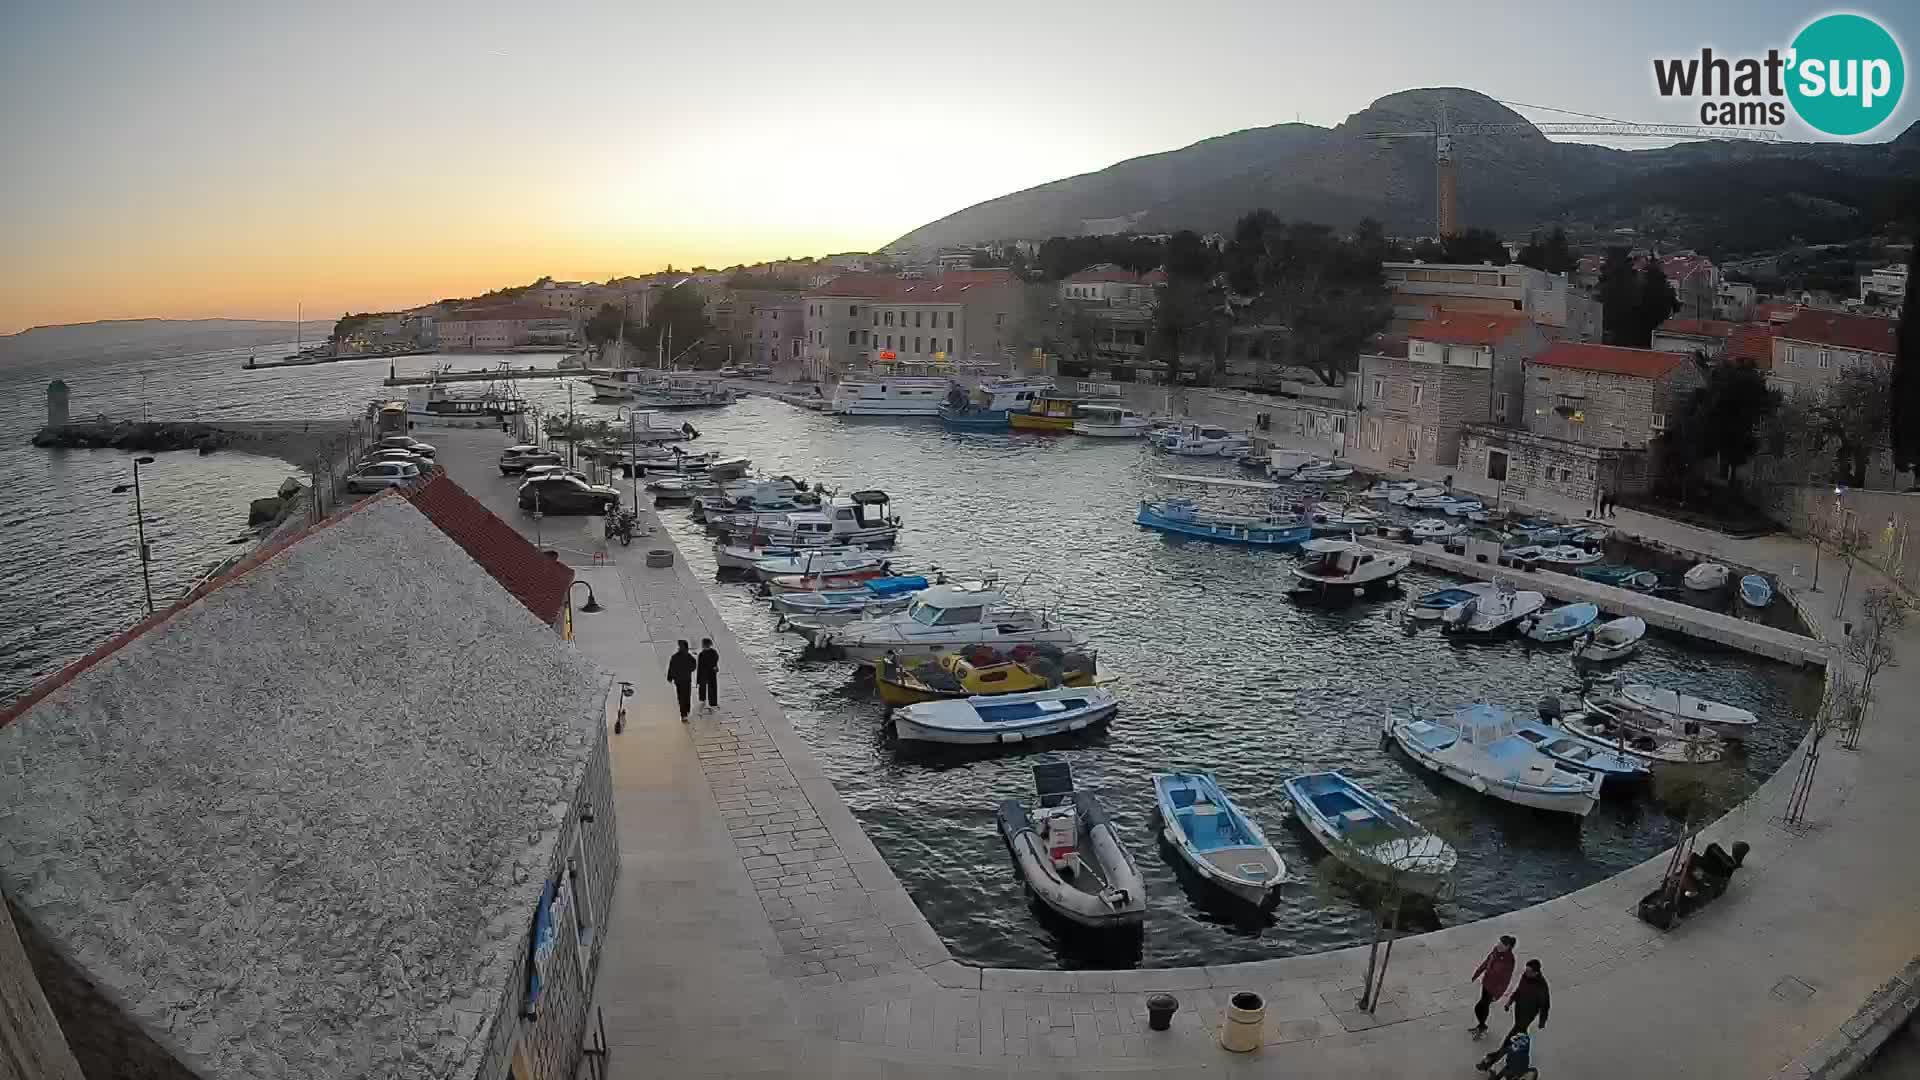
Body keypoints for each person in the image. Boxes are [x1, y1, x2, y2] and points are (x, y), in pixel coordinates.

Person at [1479, 960, 1550, 1072]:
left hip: (1527, 1015)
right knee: (1520, 1038)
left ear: (1536, 972)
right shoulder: (1525, 978)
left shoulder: (1541, 987)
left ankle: (1491, 1060)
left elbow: (1545, 1006)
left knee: (1510, 1039)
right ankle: (1519, 1060)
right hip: (1519, 1011)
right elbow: (1518, 991)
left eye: (1529, 971)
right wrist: (1510, 1002)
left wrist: (1542, 1021)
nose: (1526, 972)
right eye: (1526, 970)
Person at [1469, 935, 1518, 1037]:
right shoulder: (1495, 951)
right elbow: (1487, 962)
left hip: (1494, 988)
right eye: (1499, 942)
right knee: (1483, 1005)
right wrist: (1477, 973)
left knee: (1480, 1006)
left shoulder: (1509, 960)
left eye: (1502, 944)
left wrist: (1498, 994)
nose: (1498, 945)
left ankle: (1482, 1027)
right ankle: (1481, 1026)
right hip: (1486, 983)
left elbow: (1506, 980)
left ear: (1508, 947)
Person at [665, 640, 697, 722]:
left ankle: (684, 713)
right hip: (686, 679)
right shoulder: (688, 656)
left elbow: (671, 668)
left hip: (678, 680)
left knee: (681, 696)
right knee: (686, 695)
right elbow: (693, 666)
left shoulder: (675, 657)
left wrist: (670, 677)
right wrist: (688, 670)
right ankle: (686, 710)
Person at [697, 637, 721, 709]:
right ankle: (713, 703)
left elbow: (700, 666)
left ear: (704, 645)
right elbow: (716, 659)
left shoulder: (701, 654)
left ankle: (702, 699)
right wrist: (714, 666)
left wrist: (698, 677)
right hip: (711, 673)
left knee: (702, 686)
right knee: (713, 687)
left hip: (703, 673)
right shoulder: (714, 652)